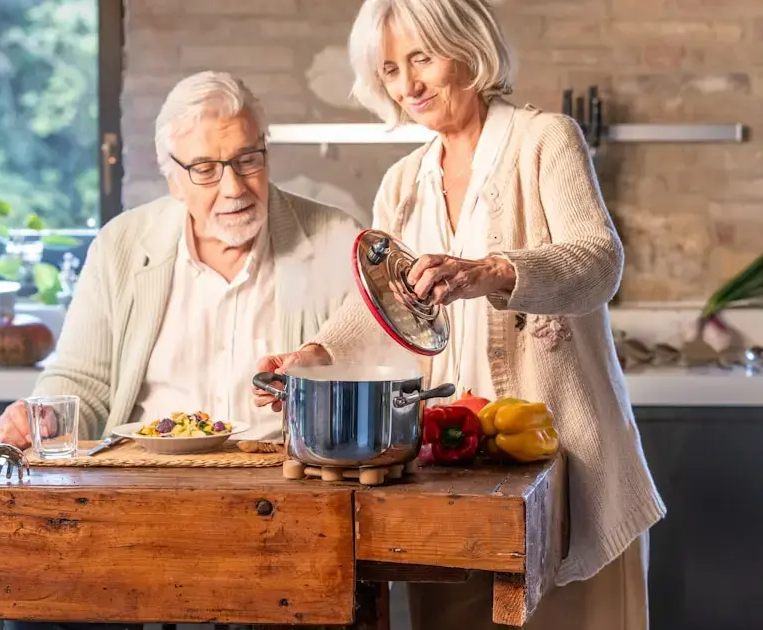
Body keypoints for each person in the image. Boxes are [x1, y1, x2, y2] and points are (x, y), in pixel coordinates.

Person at [253, 1, 666, 629]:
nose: (407, 85)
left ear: (469, 48)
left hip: (563, 465)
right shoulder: (403, 182)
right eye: (391, 69)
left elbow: (600, 262)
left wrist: (493, 271)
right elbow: (382, 310)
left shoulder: (544, 140)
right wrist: (315, 358)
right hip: (450, 469)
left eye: (422, 58)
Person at [0, 70, 362, 457]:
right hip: (146, 483)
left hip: (284, 483)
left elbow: (377, 368)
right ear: (173, 180)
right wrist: (47, 414)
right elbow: (83, 380)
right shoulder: (120, 245)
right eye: (204, 169)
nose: (233, 188)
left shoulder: (337, 241)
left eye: (247, 160)